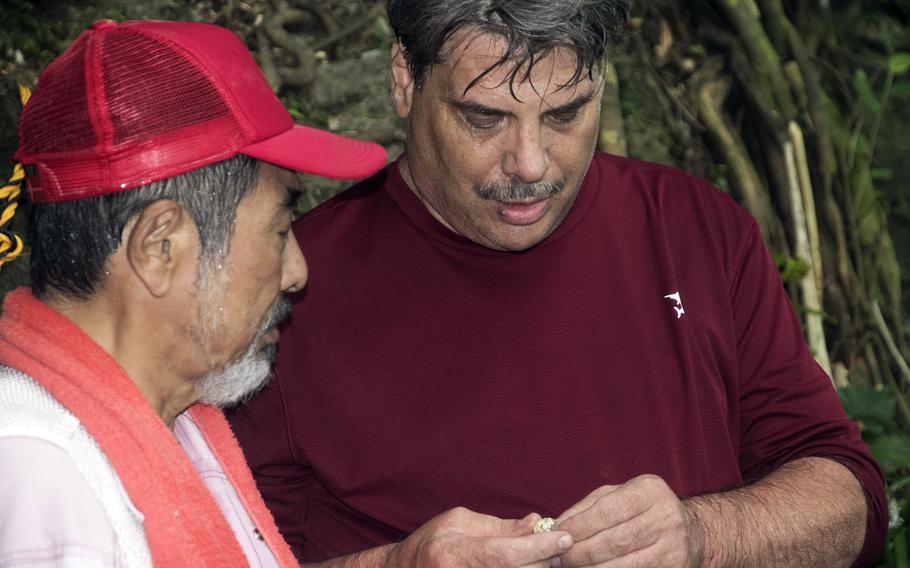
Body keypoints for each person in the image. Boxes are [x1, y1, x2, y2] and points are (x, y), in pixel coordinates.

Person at [228, 0, 889, 566]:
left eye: (565, 114)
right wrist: (395, 564)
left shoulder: (697, 231)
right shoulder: (287, 287)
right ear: (404, 79)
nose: (531, 163)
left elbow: (852, 500)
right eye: (484, 118)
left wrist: (701, 535)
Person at [0, 19, 391, 566]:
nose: (297, 271)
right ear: (160, 248)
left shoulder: (176, 420)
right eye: (280, 231)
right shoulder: (43, 482)